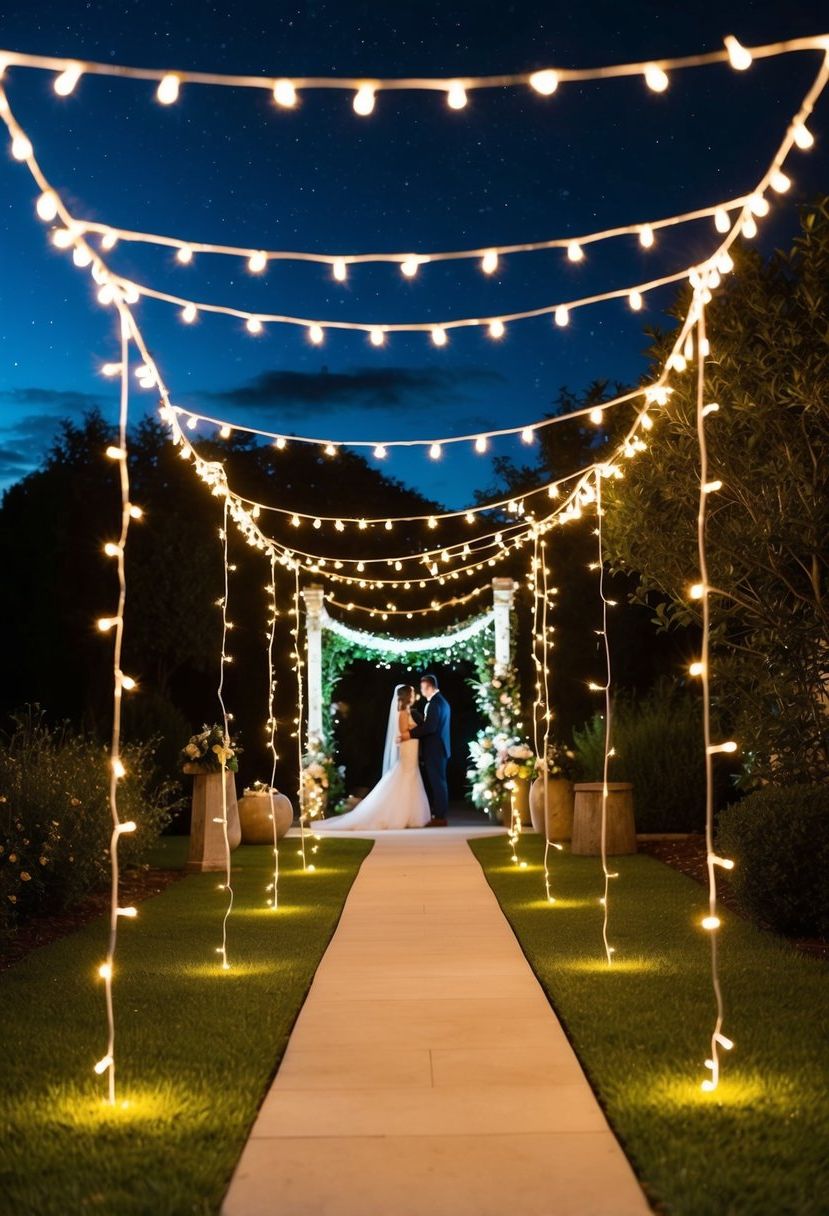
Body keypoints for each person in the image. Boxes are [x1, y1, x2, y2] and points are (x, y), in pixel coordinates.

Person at [316, 684, 430, 831]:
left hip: (412, 750)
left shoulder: (408, 711)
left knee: (410, 778)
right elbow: (402, 731)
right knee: (404, 778)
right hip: (408, 750)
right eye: (412, 694)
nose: (414, 696)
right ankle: (398, 814)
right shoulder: (402, 712)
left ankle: (409, 814)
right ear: (407, 696)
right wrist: (420, 729)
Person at [398, 673, 451, 827]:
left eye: (422, 688)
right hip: (440, 748)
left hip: (435, 749)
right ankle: (439, 814)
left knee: (438, 782)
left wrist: (410, 734)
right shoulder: (442, 702)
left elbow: (430, 727)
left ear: (428, 687)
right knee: (439, 782)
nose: (421, 691)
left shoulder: (435, 703)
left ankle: (440, 817)